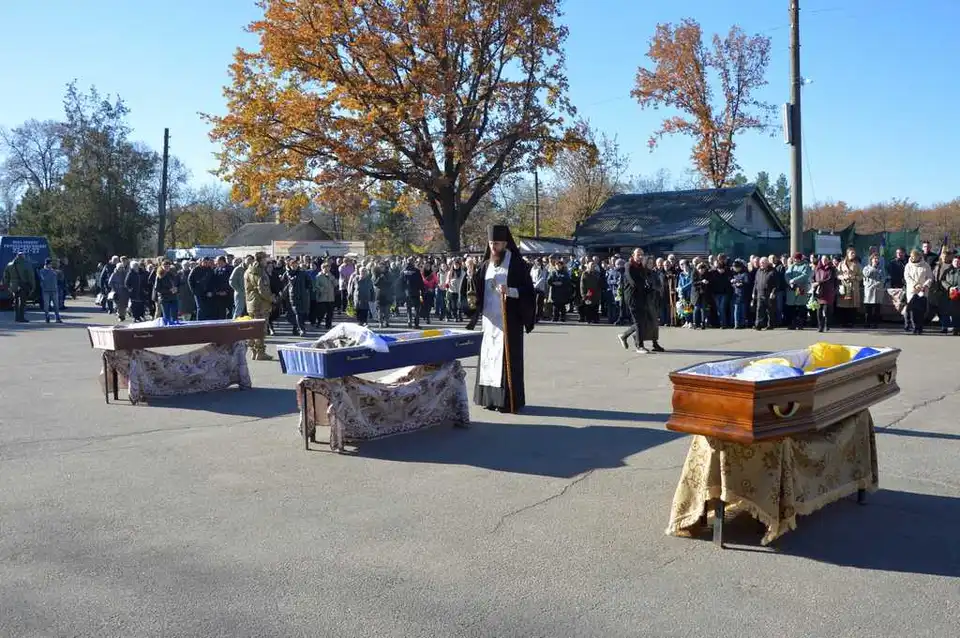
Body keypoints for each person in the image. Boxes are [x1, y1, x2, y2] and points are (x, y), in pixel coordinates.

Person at [465, 225, 535, 413]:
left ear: (505, 243)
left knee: (505, 361)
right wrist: (470, 275)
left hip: (508, 321)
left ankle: (507, 401)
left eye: (496, 243)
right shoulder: (485, 265)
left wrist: (510, 291)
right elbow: (475, 293)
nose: (493, 247)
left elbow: (529, 292)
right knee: (488, 359)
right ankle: (489, 398)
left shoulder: (518, 266)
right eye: (490, 243)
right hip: (489, 321)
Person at [617, 248, 665, 352]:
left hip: (641, 297)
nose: (640, 257)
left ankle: (624, 335)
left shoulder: (641, 267)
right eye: (638, 255)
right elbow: (633, 282)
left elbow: (646, 282)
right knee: (639, 321)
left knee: (642, 321)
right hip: (632, 297)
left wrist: (650, 288)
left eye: (641, 255)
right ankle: (640, 346)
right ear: (633, 255)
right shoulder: (628, 265)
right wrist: (645, 287)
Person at [244, 252, 274, 360]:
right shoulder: (260, 272)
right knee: (261, 329)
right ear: (261, 260)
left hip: (251, 303)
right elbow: (263, 290)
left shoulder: (248, 271)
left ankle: (254, 351)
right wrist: (272, 298)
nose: (267, 261)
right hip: (261, 304)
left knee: (253, 329)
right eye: (266, 259)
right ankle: (260, 352)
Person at [904, 249, 934, 335]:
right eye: (911, 256)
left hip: (923, 290)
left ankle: (920, 327)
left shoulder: (925, 265)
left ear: (919, 256)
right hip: (912, 290)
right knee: (912, 310)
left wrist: (925, 285)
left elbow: (930, 277)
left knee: (920, 310)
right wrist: (915, 285)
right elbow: (907, 277)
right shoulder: (908, 266)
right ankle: (914, 327)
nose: (912, 258)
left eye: (914, 256)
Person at [3, 252, 35, 323]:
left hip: (13, 286)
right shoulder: (26, 264)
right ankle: (21, 317)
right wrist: (33, 286)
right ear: (23, 256)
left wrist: (7, 285)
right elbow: (31, 276)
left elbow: (6, 276)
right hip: (22, 285)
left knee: (16, 301)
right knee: (23, 302)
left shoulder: (9, 264)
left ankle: (17, 317)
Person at [38, 258, 62, 323]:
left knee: (56, 305)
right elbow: (44, 279)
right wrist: (52, 272)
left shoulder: (54, 271)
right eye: (49, 264)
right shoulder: (42, 271)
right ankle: (47, 317)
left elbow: (60, 278)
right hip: (46, 291)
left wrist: (57, 272)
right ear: (46, 264)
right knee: (46, 305)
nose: (50, 265)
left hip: (54, 290)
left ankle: (57, 317)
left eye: (50, 264)